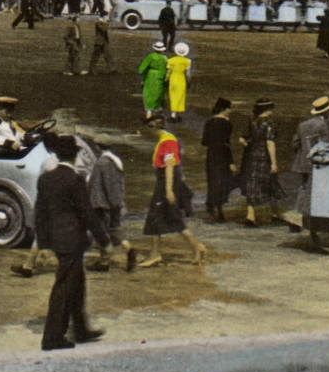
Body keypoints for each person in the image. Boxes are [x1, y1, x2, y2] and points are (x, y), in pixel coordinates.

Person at [35, 135, 108, 350]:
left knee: (76, 284)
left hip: (56, 239)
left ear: (57, 155)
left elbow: (40, 215)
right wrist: (104, 240)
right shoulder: (75, 180)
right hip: (72, 239)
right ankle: (52, 337)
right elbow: (87, 213)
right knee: (64, 288)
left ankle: (81, 329)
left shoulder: (45, 179)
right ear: (75, 156)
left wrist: (44, 245)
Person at [136, 114, 208, 267]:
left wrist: (169, 190)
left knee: (160, 217)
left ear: (152, 126)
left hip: (166, 183)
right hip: (165, 182)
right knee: (167, 217)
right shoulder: (164, 139)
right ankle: (195, 247)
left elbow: (169, 165)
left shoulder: (167, 141)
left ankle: (157, 254)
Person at [85, 133, 138, 272]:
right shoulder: (114, 161)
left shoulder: (103, 163)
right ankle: (121, 253)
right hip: (110, 203)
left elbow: (108, 185)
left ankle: (106, 261)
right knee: (112, 231)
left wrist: (114, 204)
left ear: (97, 147)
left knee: (102, 232)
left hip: (102, 204)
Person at [290, 96, 329, 215]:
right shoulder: (323, 125)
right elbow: (325, 146)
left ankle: (298, 211)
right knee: (317, 188)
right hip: (316, 161)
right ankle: (312, 212)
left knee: (304, 186)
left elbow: (295, 144)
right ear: (326, 112)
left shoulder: (303, 124)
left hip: (302, 162)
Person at [239, 97, 279, 226]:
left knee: (251, 183)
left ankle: (250, 215)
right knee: (271, 181)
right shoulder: (269, 123)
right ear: (267, 109)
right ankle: (274, 213)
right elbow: (270, 142)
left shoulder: (253, 121)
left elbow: (242, 139)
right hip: (264, 156)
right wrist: (274, 162)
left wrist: (249, 145)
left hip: (251, 155)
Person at [201, 98, 237, 221]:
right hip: (223, 156)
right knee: (224, 182)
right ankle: (219, 209)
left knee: (213, 181)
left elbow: (204, 142)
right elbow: (226, 144)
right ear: (224, 109)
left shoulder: (209, 122)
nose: (230, 111)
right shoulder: (227, 124)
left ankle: (212, 205)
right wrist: (231, 162)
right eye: (229, 108)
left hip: (211, 155)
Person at [137, 40, 168, 121]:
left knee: (148, 94)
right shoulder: (164, 58)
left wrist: (143, 73)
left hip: (150, 76)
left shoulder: (150, 56)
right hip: (160, 76)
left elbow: (141, 69)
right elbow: (165, 69)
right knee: (158, 94)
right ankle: (156, 112)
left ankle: (148, 112)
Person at [165, 41, 193, 121]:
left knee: (173, 96)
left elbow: (168, 72)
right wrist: (188, 81)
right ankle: (178, 114)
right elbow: (188, 74)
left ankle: (173, 115)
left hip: (173, 79)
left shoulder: (171, 60)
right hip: (181, 79)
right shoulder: (187, 61)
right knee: (180, 96)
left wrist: (166, 79)